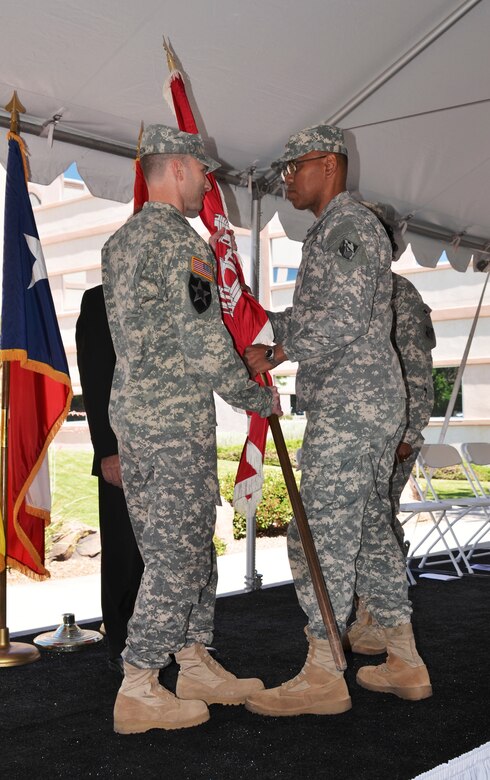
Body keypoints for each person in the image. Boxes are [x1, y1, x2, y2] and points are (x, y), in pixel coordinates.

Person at [243, 123, 432, 717]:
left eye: (293, 168)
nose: (285, 182)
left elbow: (342, 321)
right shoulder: (336, 231)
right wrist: (266, 328)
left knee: (315, 534)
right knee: (373, 527)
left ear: (327, 163)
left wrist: (275, 353)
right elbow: (321, 315)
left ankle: (324, 670)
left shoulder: (348, 226)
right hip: (366, 403)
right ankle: (404, 658)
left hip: (352, 407)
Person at [101, 124, 282, 734]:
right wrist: (252, 394)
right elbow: (204, 343)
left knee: (178, 549)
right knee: (178, 557)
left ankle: (193, 660)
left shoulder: (118, 244)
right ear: (176, 168)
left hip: (136, 419)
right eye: (201, 170)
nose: (207, 181)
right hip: (174, 423)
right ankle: (139, 682)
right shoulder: (184, 245)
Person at [345, 213, 436, 655]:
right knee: (367, 521)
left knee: (376, 522)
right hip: (362, 431)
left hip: (392, 434)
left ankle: (381, 617)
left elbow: (417, 371)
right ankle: (373, 611)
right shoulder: (361, 290)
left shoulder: (400, 293)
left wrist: (409, 433)